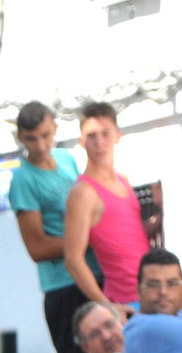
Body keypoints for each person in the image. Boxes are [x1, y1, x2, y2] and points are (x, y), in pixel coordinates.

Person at [10, 100, 107, 353]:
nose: (41, 145)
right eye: (32, 139)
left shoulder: (69, 162)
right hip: (61, 288)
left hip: (93, 278)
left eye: (46, 135)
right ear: (21, 139)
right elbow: (35, 246)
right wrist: (83, 238)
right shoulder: (22, 181)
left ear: (55, 130)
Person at [62, 102, 156, 318]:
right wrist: (107, 306)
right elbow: (73, 259)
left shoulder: (124, 180)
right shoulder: (83, 192)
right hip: (124, 302)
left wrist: (159, 215)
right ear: (81, 142)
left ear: (117, 135)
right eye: (92, 136)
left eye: (105, 133)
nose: (100, 143)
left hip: (151, 293)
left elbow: (133, 237)